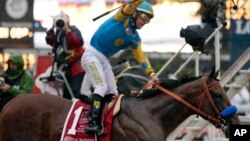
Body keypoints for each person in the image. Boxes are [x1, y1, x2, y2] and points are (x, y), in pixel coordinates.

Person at [80, 0, 159, 134]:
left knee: (113, 92)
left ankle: (105, 120)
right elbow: (131, 6)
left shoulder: (135, 38)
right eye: (144, 17)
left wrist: (151, 74)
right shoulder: (120, 17)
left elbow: (141, 58)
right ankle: (93, 123)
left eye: (148, 20)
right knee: (101, 87)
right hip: (91, 55)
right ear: (134, 13)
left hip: (103, 60)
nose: (144, 22)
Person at [45, 11, 85, 99]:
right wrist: (52, 28)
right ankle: (68, 110)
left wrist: (68, 31)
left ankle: (76, 110)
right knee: (66, 94)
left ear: (68, 21)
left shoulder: (74, 30)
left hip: (77, 67)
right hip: (67, 67)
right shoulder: (58, 32)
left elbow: (78, 43)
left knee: (74, 92)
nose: (61, 22)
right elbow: (50, 41)